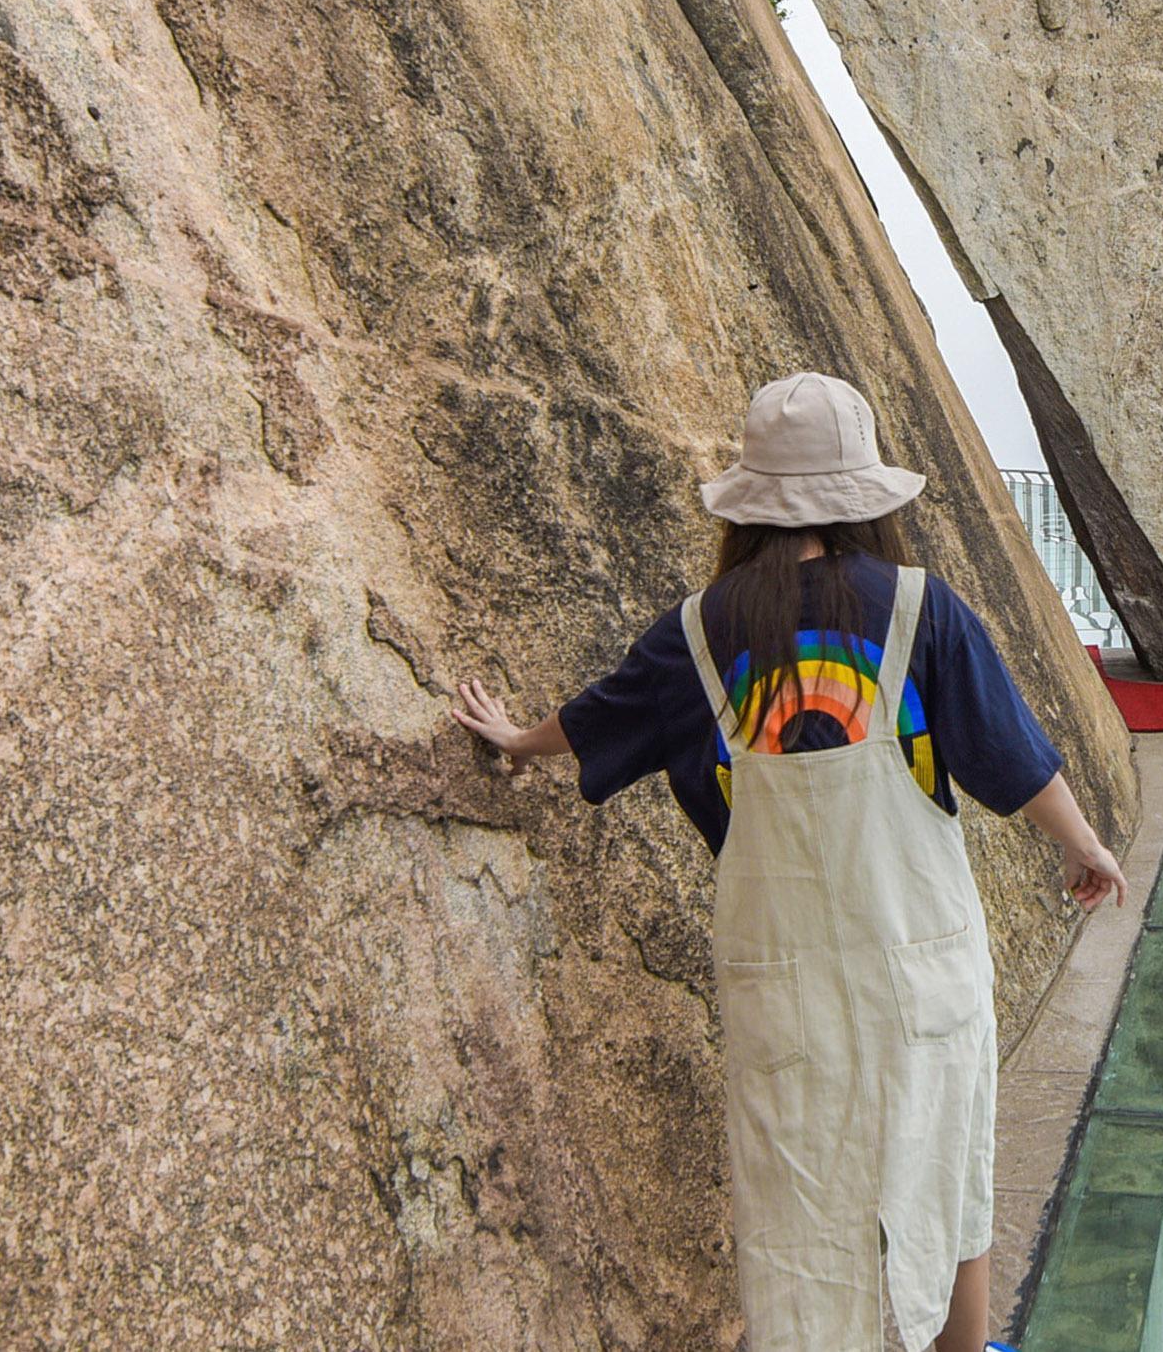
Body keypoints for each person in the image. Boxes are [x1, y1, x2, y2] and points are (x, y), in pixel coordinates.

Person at [451, 371, 1122, 1352]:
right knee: (949, 1178)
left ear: (750, 506)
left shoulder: (702, 631)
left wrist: (513, 740)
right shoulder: (920, 611)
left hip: (784, 982)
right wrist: (1084, 845)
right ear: (863, 500)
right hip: (922, 962)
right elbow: (1008, 756)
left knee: (798, 1211)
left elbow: (594, 721)